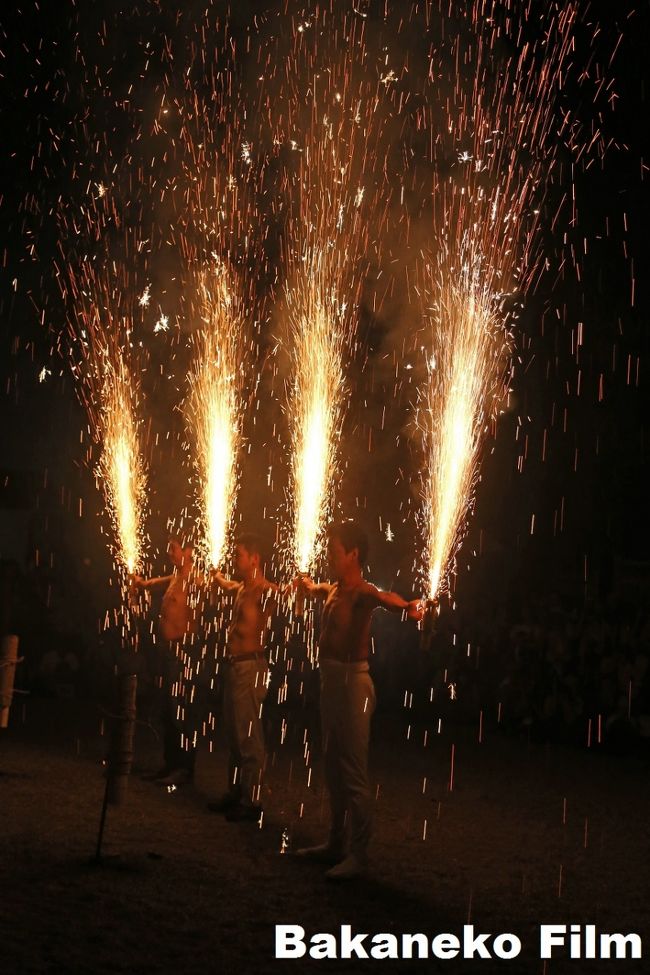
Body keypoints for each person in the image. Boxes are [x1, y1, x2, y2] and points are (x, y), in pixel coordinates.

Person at [295, 520, 424, 880]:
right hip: (331, 680)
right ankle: (336, 844)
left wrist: (410, 606)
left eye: (335, 551)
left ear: (353, 554)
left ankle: (359, 855)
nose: (329, 556)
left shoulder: (362, 592)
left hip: (354, 684)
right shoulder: (335, 588)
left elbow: (387, 599)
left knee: (351, 771)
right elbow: (317, 588)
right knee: (332, 766)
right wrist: (305, 585)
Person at [208, 533, 279, 823]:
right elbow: (224, 582)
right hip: (235, 668)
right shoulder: (240, 588)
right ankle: (236, 792)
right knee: (235, 734)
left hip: (250, 668)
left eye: (239, 555)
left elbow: (283, 594)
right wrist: (215, 575)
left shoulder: (264, 590)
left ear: (254, 559)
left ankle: (253, 801)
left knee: (249, 737)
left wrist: (298, 588)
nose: (235, 560)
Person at [132, 536, 202, 787]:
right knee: (167, 710)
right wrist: (140, 583)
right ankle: (171, 764)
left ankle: (184, 768)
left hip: (183, 653)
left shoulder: (195, 579)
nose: (168, 552)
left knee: (180, 709)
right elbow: (154, 583)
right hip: (168, 652)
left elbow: (214, 590)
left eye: (173, 548)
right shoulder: (175, 578)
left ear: (189, 550)